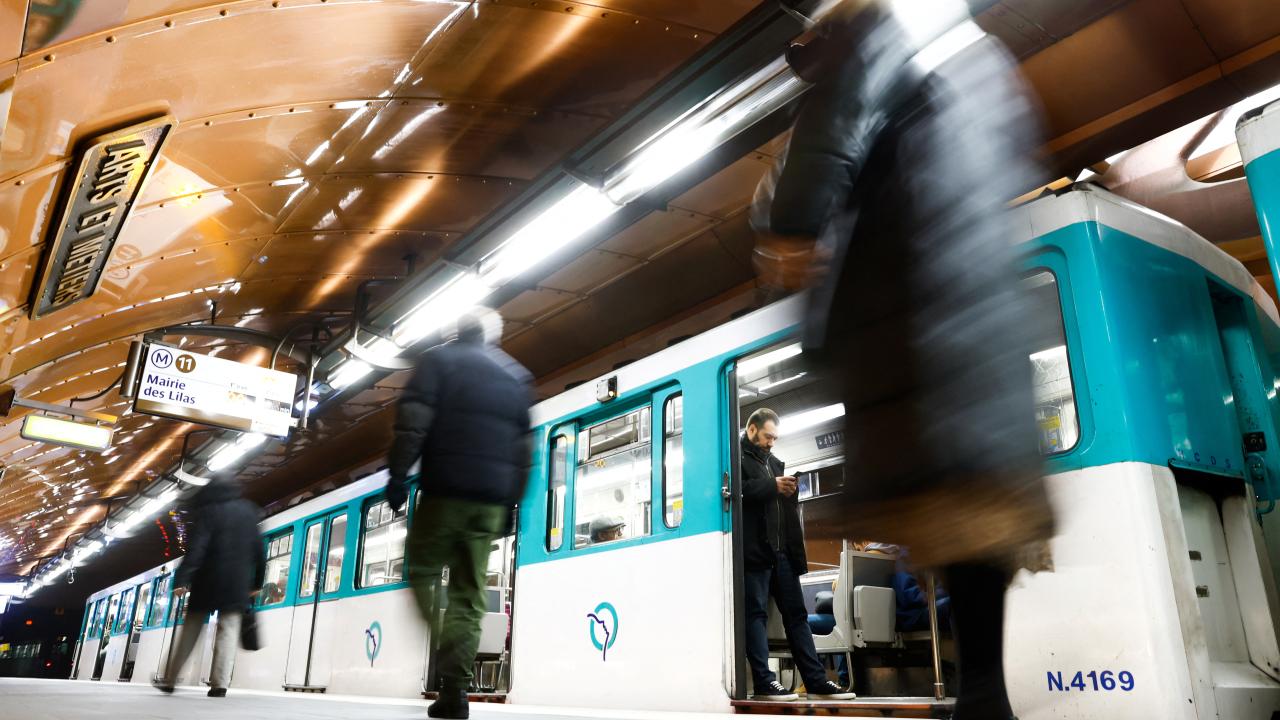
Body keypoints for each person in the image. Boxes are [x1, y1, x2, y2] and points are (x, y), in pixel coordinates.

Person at [751, 2, 1054, 717]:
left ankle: (982, 701)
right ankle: (985, 698)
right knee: (973, 533)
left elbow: (826, 138)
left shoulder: (880, 36)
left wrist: (790, 227)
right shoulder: (983, 62)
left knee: (939, 513)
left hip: (917, 328)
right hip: (983, 334)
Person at [386, 308, 533, 720]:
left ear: (455, 332)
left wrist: (398, 475)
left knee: (421, 572)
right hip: (488, 505)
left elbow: (412, 424)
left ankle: (446, 642)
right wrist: (512, 504)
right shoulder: (515, 377)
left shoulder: (437, 361)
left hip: (444, 494)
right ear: (491, 337)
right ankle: (455, 692)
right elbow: (524, 453)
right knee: (468, 597)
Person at [741, 408, 854, 701]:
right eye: (768, 437)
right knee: (756, 614)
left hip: (782, 553)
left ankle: (815, 680)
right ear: (752, 430)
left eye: (775, 438)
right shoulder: (735, 459)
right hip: (756, 552)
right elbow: (737, 493)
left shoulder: (774, 463)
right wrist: (772, 486)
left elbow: (777, 506)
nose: (771, 443)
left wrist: (789, 493)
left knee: (798, 616)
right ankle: (764, 682)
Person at [152, 478, 265, 697]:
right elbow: (259, 551)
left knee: (190, 633)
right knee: (228, 633)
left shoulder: (208, 512)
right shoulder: (249, 511)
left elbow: (197, 549)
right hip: (236, 584)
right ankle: (219, 685)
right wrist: (256, 583)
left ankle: (170, 680)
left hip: (206, 581)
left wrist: (182, 579)